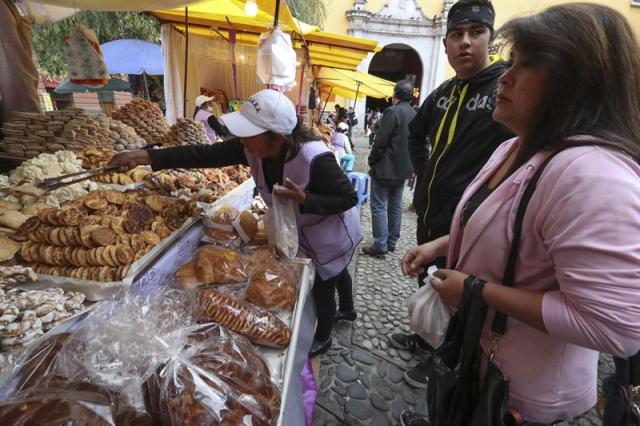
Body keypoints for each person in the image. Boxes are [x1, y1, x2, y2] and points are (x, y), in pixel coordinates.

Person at [399, 3, 640, 425]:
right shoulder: (514, 145)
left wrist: (476, 291)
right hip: (480, 365)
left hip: (520, 395)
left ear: (575, 81)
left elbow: (615, 327)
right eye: (511, 62)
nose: (505, 76)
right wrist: (442, 243)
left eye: (524, 66)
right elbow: (507, 226)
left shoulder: (592, 174)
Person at [109, 89, 363, 358]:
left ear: (276, 138)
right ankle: (347, 309)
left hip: (330, 231)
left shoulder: (315, 158)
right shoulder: (251, 148)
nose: (242, 139)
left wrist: (307, 199)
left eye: (249, 133)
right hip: (304, 228)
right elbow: (203, 155)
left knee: (326, 280)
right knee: (337, 271)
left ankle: (323, 336)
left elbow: (348, 197)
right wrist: (148, 158)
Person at [389, 0, 512, 386]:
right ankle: (427, 338)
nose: (465, 42)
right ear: (444, 45)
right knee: (428, 281)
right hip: (430, 214)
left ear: (490, 39)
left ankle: (446, 361)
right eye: (457, 34)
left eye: (476, 32)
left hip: (471, 222)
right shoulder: (443, 91)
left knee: (458, 296)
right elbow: (415, 132)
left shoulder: (505, 88)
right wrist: (424, 173)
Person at [362, 80, 416, 257]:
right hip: (402, 168)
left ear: (395, 95)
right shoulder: (414, 113)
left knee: (378, 205)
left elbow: (381, 140)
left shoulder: (393, 111)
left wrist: (372, 159)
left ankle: (380, 244)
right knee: (395, 206)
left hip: (386, 166)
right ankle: (391, 241)